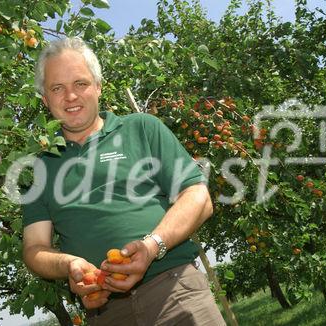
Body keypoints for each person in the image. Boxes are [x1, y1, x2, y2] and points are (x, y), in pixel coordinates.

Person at [22, 37, 226, 326]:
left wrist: (152, 246)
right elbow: (34, 249)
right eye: (57, 88)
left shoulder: (141, 128)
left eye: (80, 83)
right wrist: (68, 265)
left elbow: (199, 198)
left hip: (174, 290)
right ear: (45, 100)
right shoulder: (39, 167)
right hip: (105, 312)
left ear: (98, 87)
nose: (70, 96)